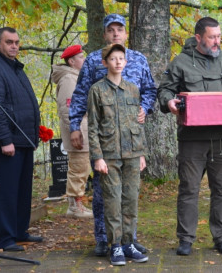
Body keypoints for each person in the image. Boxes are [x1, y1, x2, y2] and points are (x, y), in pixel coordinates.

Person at [157, 17, 222, 256]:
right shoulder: (181, 62)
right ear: (199, 37)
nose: (217, 41)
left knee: (221, 189)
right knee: (189, 189)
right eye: (212, 37)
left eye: (219, 36)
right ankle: (186, 239)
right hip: (193, 138)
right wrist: (168, 101)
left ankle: (221, 237)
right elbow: (165, 89)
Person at [69, 14, 156, 256]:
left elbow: (150, 89)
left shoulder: (137, 59)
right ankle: (103, 238)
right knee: (102, 193)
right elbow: (80, 94)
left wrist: (144, 108)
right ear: (104, 33)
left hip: (130, 137)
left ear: (126, 33)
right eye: (111, 30)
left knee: (129, 195)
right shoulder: (93, 61)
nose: (116, 33)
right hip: (106, 138)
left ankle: (129, 238)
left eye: (120, 29)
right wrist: (75, 126)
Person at [0, 27, 42, 251]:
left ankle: (19, 231)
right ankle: (4, 238)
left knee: (22, 190)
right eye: (8, 42)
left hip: (23, 139)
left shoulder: (14, 67)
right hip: (5, 142)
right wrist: (5, 140)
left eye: (16, 42)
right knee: (6, 191)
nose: (14, 46)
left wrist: (33, 133)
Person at [88, 44, 148, 265]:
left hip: (132, 154)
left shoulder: (133, 89)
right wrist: (97, 157)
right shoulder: (97, 90)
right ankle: (115, 246)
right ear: (105, 63)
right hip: (109, 155)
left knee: (130, 200)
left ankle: (128, 243)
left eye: (121, 58)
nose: (118, 62)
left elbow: (138, 125)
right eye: (113, 59)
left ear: (126, 62)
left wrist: (141, 153)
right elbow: (93, 127)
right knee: (112, 201)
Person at [51, 44, 92, 218]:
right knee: (78, 167)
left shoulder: (77, 76)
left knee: (82, 167)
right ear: (72, 61)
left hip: (84, 129)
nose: (84, 60)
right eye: (81, 57)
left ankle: (77, 203)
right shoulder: (69, 79)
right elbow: (67, 109)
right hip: (78, 132)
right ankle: (74, 206)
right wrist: (74, 131)